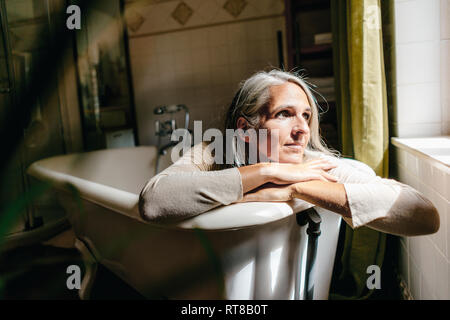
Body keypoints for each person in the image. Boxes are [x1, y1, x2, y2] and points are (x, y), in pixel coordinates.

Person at [139, 69, 439, 236]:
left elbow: (424, 216)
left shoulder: (313, 167)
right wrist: (268, 173)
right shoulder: (210, 152)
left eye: (306, 116)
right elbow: (154, 202)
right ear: (244, 129)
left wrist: (295, 186)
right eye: (285, 114)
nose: (302, 129)